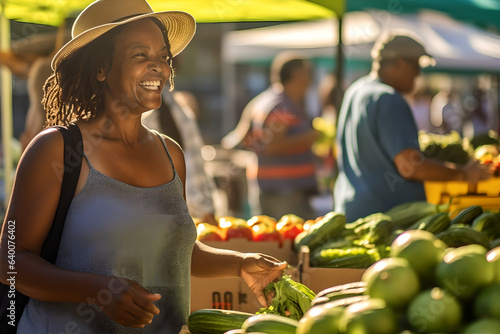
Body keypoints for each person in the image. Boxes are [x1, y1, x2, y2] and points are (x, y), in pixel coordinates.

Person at [0, 0, 287, 333]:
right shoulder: (58, 149)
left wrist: (240, 263)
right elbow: (10, 261)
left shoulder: (169, 153)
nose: (158, 68)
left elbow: (168, 249)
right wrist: (98, 292)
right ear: (100, 68)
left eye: (163, 57)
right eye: (140, 55)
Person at [333, 31, 493, 223]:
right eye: (416, 65)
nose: (418, 74)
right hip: (387, 217)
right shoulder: (388, 99)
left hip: (352, 209)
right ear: (399, 63)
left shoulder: (356, 91)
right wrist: (463, 173)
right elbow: (410, 166)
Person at [223, 52, 320, 220]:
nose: (310, 81)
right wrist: (309, 138)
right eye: (307, 74)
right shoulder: (283, 106)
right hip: (285, 193)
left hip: (268, 189)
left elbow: (241, 138)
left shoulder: (262, 100)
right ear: (296, 76)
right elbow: (272, 146)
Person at [142, 89, 219, 226]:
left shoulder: (174, 105)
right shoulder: (143, 113)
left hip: (187, 218)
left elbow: (194, 165)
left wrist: (205, 209)